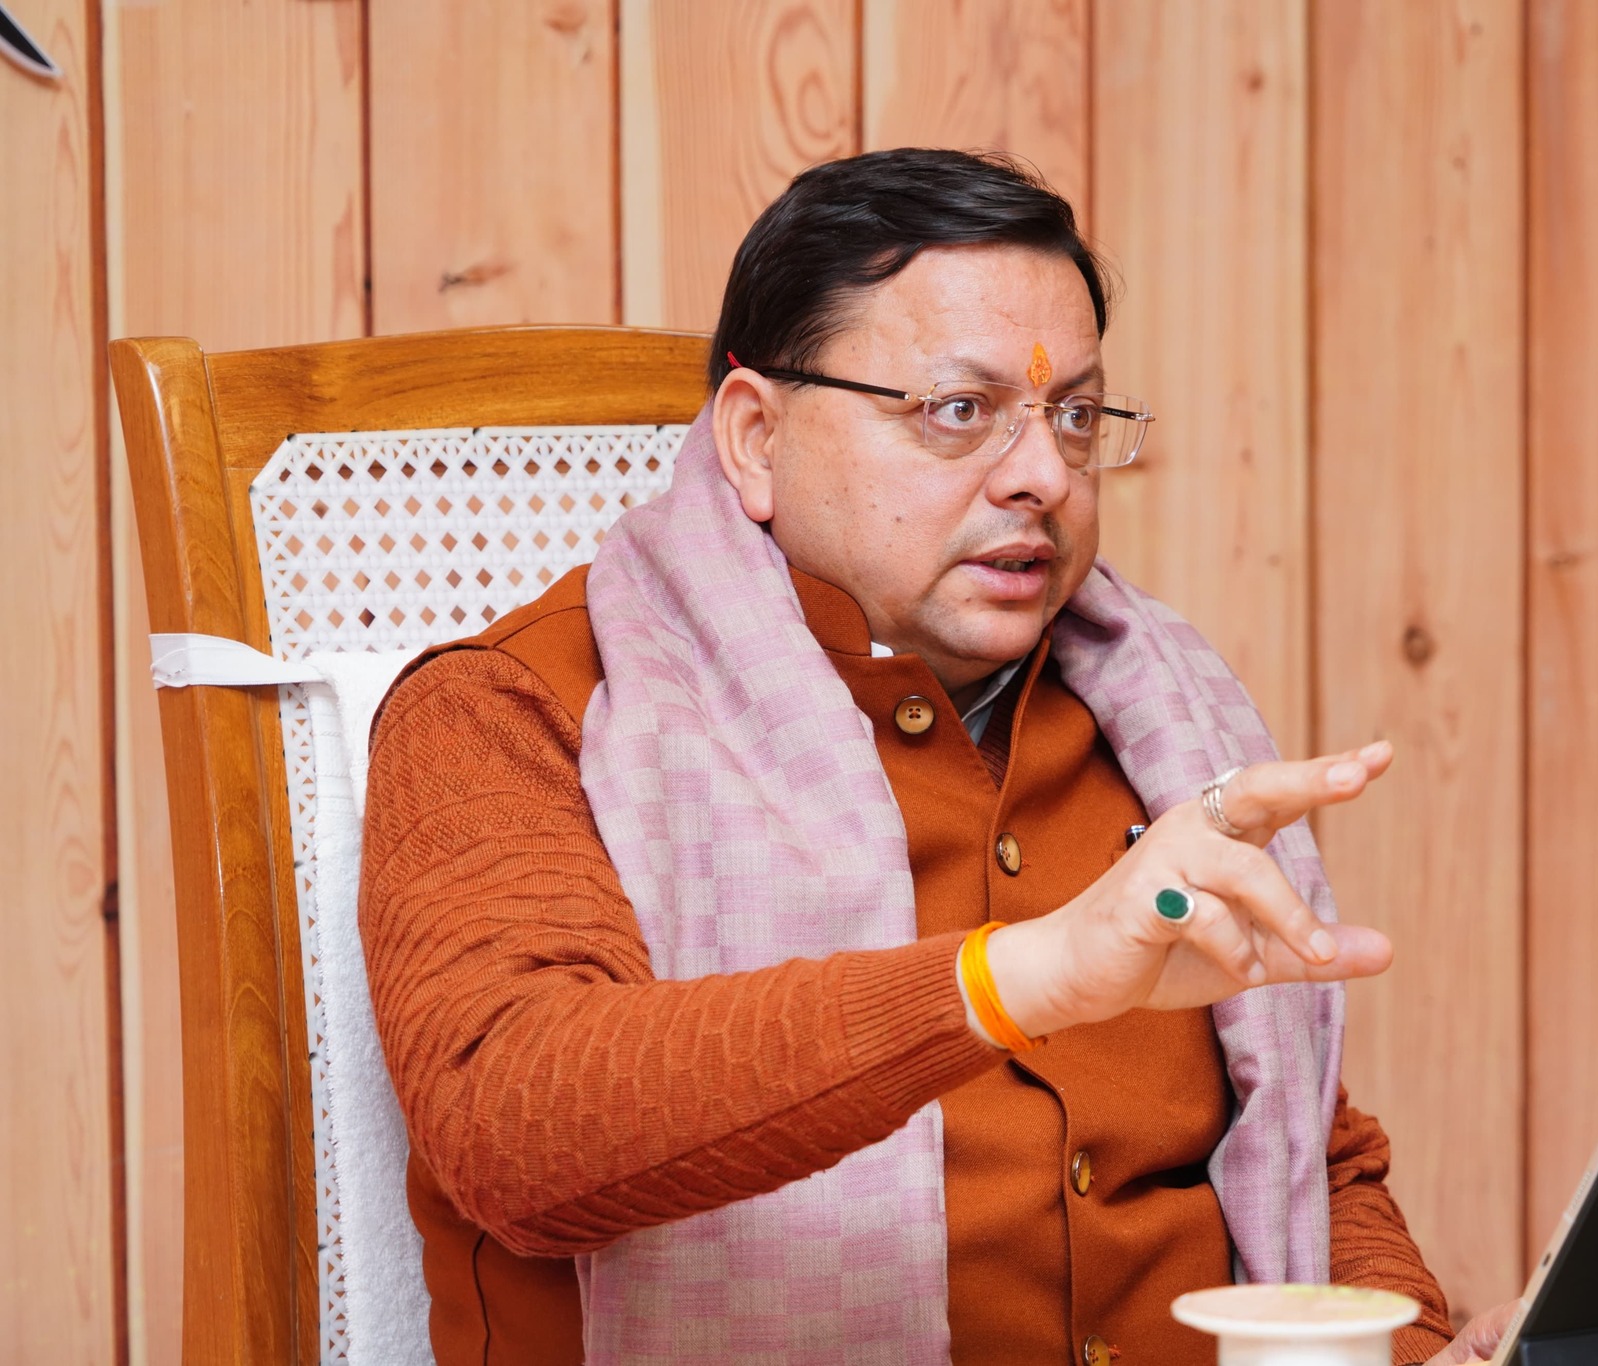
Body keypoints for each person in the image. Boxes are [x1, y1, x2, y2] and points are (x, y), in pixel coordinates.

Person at [361, 148, 1513, 1366]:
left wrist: (1412, 1351)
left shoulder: (1163, 711)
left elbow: (1306, 1159)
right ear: (754, 437)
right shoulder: (512, 709)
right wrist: (1016, 979)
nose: (1041, 475)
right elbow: (511, 1133)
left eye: (1073, 416)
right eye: (957, 411)